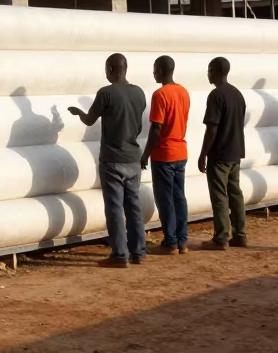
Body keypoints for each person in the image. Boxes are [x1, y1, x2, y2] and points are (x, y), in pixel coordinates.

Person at [69, 54, 148, 268]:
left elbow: (89, 119)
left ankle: (120, 255)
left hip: (112, 159)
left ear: (111, 69)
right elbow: (138, 126)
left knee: (114, 207)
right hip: (133, 157)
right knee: (134, 206)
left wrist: (78, 112)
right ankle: (138, 252)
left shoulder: (106, 93)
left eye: (106, 69)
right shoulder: (139, 93)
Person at [140, 55, 190, 255]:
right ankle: (183, 241)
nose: (153, 73)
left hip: (164, 154)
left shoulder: (160, 95)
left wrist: (145, 155)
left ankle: (170, 241)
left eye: (154, 69)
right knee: (179, 197)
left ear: (160, 70)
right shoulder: (184, 92)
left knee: (165, 199)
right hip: (181, 152)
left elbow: (156, 129)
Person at [197, 57, 247, 250]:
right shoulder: (237, 94)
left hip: (220, 153)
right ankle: (240, 234)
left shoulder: (216, 95)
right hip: (236, 152)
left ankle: (221, 237)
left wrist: (203, 154)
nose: (207, 74)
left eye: (209, 71)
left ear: (213, 71)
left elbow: (212, 129)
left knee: (219, 195)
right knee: (235, 193)